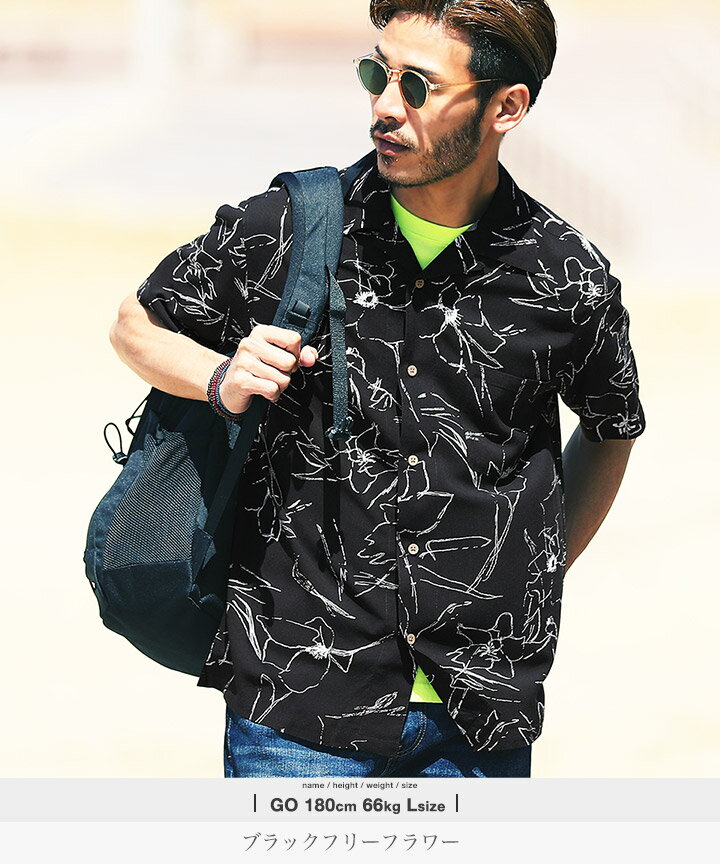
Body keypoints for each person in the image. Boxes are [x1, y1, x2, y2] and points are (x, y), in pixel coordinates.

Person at [109, 0, 646, 779]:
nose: (386, 107)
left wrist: (536, 566)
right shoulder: (291, 226)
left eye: (418, 86)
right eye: (377, 74)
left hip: (480, 711)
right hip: (297, 705)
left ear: (506, 107)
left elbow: (611, 424)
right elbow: (137, 324)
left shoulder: (568, 275)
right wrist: (220, 377)